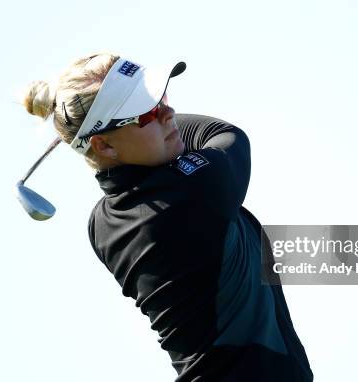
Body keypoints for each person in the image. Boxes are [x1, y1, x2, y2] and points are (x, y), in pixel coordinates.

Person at [22, 51, 314, 381]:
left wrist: (137, 119)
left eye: (162, 98)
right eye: (146, 113)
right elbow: (225, 133)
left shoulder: (102, 223)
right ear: (104, 146)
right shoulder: (196, 194)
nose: (169, 112)